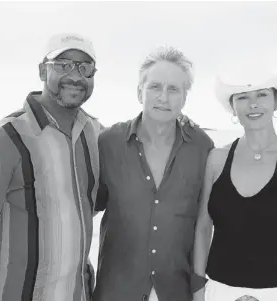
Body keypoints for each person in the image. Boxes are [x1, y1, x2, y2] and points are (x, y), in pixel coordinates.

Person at [0, 33, 101, 301]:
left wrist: (175, 121)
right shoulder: (3, 139)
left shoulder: (94, 133)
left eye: (85, 68)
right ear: (42, 70)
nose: (75, 76)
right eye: (63, 64)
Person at [92, 46, 214, 301]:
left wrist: (200, 285)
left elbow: (206, 224)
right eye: (155, 87)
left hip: (177, 291)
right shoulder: (108, 143)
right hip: (117, 290)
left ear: (184, 97)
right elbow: (85, 207)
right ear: (140, 92)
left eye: (173, 90)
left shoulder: (203, 147)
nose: (164, 98)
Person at [192, 66, 277, 301]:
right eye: (243, 97)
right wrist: (198, 289)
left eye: (262, 95)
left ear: (276, 102)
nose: (253, 104)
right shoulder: (216, 159)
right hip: (219, 290)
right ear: (233, 106)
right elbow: (202, 228)